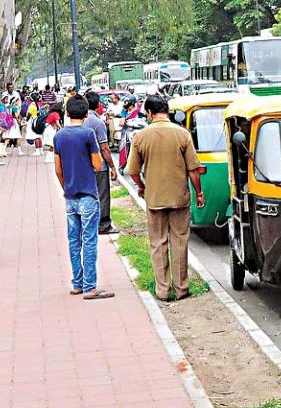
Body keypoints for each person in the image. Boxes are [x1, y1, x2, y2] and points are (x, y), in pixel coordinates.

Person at [125, 95, 205, 301]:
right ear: (167, 111)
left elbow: (132, 171)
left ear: (150, 113)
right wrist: (199, 193)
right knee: (180, 241)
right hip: (180, 197)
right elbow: (193, 170)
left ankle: (162, 290)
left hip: (155, 198)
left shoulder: (140, 137)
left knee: (158, 243)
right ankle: (181, 289)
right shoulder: (183, 134)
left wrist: (142, 187)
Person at [52, 94, 115, 300]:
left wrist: (66, 187)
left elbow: (58, 169)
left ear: (67, 113)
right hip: (88, 192)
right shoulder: (88, 134)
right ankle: (90, 286)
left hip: (70, 195)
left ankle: (77, 283)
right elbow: (98, 165)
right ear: (86, 113)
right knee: (89, 240)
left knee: (73, 240)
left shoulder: (59, 136)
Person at [83, 91, 118, 234]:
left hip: (84, 164)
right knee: (102, 195)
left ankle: (89, 223)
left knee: (88, 195)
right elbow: (104, 148)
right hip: (99, 165)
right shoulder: (97, 122)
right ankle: (103, 225)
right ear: (98, 105)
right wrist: (112, 167)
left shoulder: (80, 120)